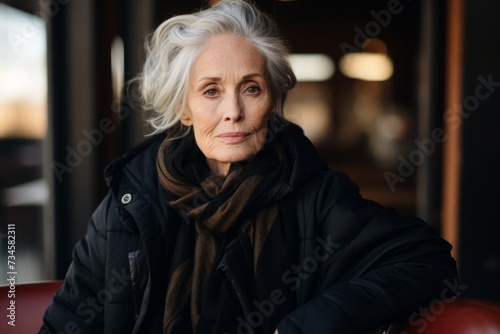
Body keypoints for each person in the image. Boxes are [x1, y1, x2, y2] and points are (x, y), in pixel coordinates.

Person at [40, 0, 458, 333]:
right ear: (184, 109)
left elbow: (428, 262)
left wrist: (309, 324)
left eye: (251, 88)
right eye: (210, 91)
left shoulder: (316, 196)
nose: (233, 112)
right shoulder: (131, 200)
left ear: (273, 101)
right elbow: (67, 323)